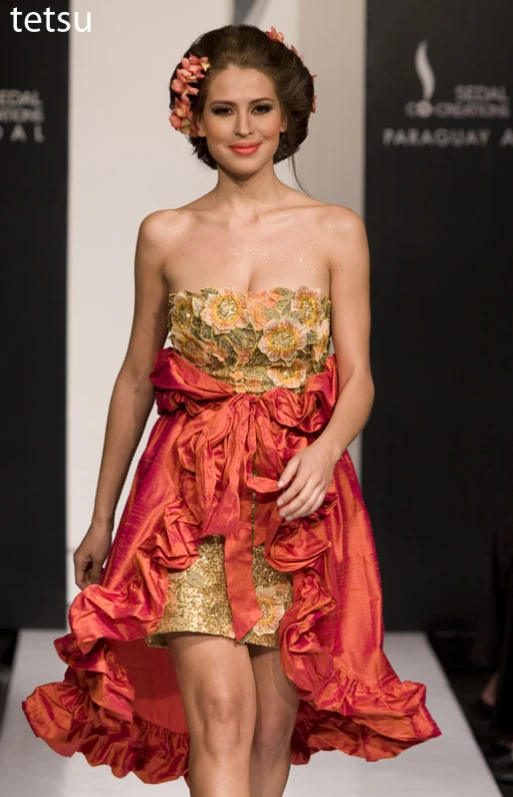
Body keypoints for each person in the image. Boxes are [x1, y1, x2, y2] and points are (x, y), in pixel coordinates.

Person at [22, 23, 442, 796]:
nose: (242, 128)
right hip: (184, 501)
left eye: (258, 109)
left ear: (287, 116)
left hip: (296, 502)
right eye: (222, 110)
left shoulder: (335, 231)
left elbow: (359, 379)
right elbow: (134, 379)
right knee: (218, 711)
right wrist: (102, 515)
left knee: (269, 726)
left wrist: (323, 452)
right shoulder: (166, 234)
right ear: (193, 117)